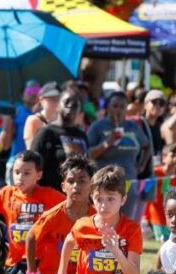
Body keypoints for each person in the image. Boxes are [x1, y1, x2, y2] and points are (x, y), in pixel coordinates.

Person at [87, 91, 151, 219]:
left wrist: (142, 165)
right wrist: (107, 143)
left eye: (122, 106)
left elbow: (147, 146)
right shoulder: (98, 126)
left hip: (128, 182)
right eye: (115, 106)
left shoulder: (132, 127)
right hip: (103, 183)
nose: (119, 110)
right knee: (103, 219)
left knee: (125, 221)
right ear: (108, 108)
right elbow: (88, 154)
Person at [30, 90, 90, 191]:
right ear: (58, 105)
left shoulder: (81, 135)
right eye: (67, 102)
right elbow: (32, 166)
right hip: (51, 196)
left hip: (77, 196)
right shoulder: (46, 132)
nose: (70, 106)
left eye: (75, 105)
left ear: (79, 110)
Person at [21, 82, 61, 150]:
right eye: (52, 98)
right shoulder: (33, 120)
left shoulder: (64, 121)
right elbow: (31, 151)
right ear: (41, 100)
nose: (56, 101)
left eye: (59, 98)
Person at [142, 89, 168, 160]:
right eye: (154, 102)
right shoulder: (138, 124)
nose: (158, 106)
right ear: (145, 105)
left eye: (161, 103)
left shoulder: (161, 127)